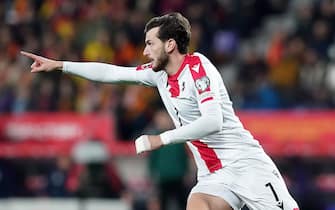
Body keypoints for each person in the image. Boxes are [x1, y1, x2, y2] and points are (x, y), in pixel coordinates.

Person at [21, 12, 299, 210]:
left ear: (170, 44)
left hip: (246, 166)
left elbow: (213, 121)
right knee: (198, 204)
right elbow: (111, 73)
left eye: (150, 43)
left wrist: (161, 139)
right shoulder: (158, 75)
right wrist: (60, 65)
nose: (144, 51)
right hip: (213, 175)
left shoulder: (198, 68)